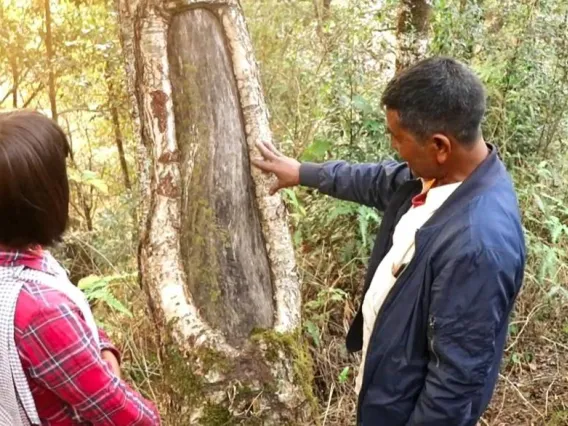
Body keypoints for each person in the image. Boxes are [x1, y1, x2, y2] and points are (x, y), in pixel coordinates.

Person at [253, 57, 526, 425]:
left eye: (398, 138)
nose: (396, 148)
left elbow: (453, 387)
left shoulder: (477, 245)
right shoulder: (440, 177)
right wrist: (303, 173)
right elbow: (378, 180)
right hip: (387, 396)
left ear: (440, 146)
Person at [0, 110, 160, 425]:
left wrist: (103, 348)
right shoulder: (37, 309)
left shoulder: (24, 263)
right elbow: (119, 412)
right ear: (44, 197)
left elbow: (67, 324)